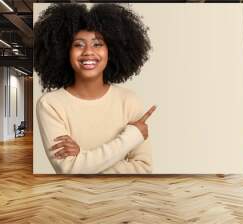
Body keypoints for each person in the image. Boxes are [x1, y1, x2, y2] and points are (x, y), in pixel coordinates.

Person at [34, 3, 154, 174]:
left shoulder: (129, 101)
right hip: (73, 199)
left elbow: (143, 168)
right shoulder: (50, 104)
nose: (88, 52)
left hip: (123, 198)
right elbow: (69, 169)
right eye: (78, 44)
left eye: (97, 44)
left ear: (111, 50)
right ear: (64, 51)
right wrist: (132, 136)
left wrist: (82, 158)